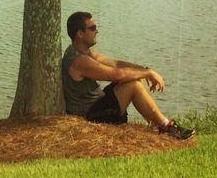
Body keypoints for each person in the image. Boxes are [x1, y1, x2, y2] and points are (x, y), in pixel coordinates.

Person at [61, 10, 194, 139]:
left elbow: (116, 64)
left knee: (133, 79)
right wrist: (147, 73)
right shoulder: (79, 60)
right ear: (80, 33)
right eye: (92, 28)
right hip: (89, 114)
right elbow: (117, 75)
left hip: (96, 105)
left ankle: (157, 125)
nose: (97, 31)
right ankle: (166, 126)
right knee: (133, 84)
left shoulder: (85, 52)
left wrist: (144, 70)